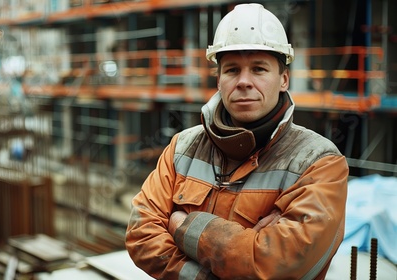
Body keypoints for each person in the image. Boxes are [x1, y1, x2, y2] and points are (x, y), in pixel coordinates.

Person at [125, 3, 348, 279]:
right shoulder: (182, 147)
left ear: (283, 80)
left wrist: (181, 224)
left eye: (258, 69)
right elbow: (140, 235)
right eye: (232, 70)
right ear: (218, 80)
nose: (244, 81)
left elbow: (278, 264)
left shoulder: (319, 162)